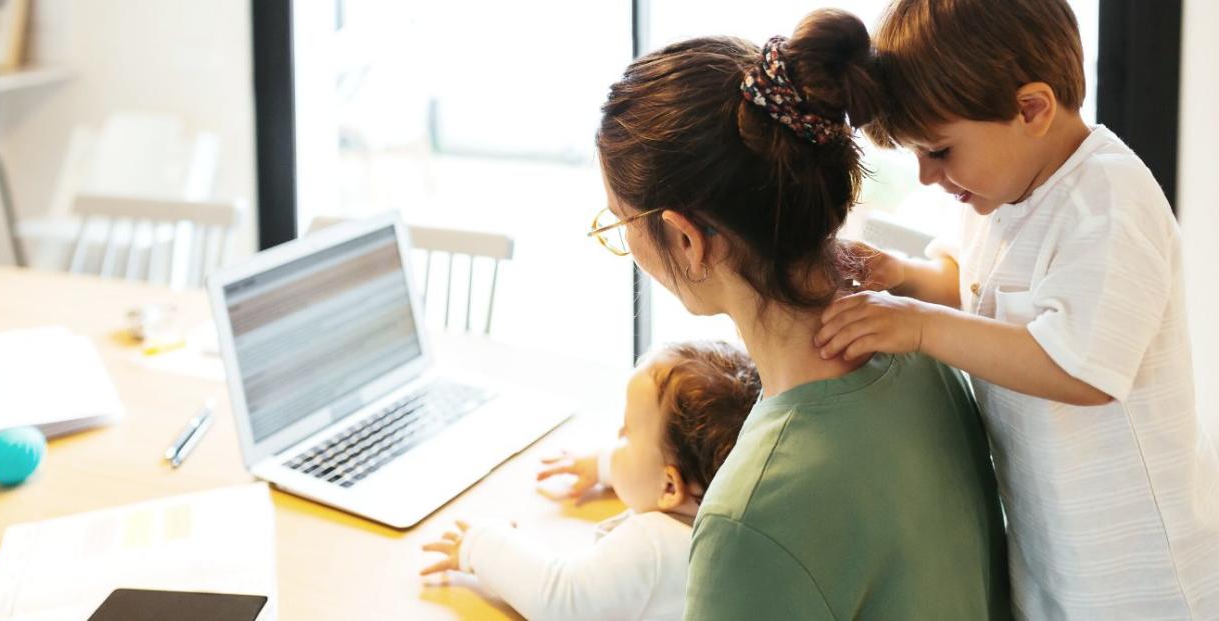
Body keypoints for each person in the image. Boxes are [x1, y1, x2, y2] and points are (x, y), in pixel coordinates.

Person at [594, 8, 1009, 620]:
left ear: (687, 239)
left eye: (618, 221)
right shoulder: (922, 351)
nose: (625, 242)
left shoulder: (748, 517)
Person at [813, 0, 1219, 617]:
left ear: (1031, 109)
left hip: (1140, 572)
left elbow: (1080, 369)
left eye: (939, 152)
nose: (926, 177)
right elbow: (972, 286)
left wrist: (921, 327)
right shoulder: (999, 192)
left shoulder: (1106, 196)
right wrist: (904, 278)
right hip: (1053, 548)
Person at [420, 340, 760, 621]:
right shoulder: (741, 518)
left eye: (627, 433)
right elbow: (656, 472)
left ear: (670, 487)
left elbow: (559, 598)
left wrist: (481, 544)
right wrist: (604, 466)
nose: (616, 435)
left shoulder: (653, 544)